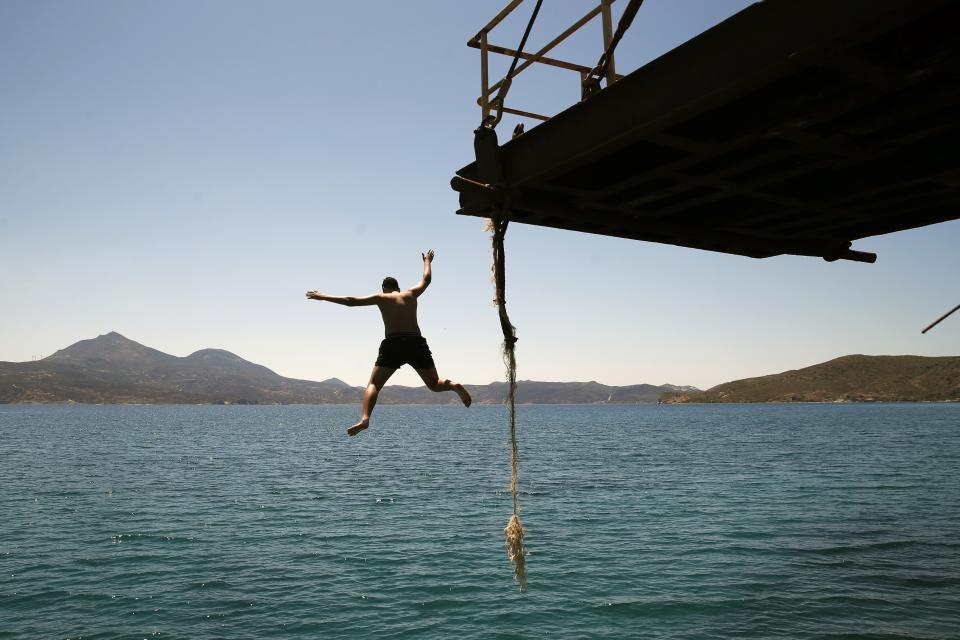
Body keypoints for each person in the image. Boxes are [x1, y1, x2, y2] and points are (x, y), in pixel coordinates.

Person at [306, 250, 472, 436]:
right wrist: (427, 261)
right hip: (416, 342)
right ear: (398, 288)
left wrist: (323, 296)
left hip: (393, 344)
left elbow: (350, 301)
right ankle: (453, 385)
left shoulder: (381, 297)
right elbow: (426, 279)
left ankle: (365, 418)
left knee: (374, 385)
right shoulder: (411, 294)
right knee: (434, 384)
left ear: (384, 288)